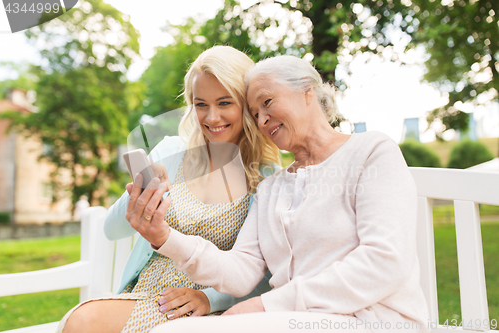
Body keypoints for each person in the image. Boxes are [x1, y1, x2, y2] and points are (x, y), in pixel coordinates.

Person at [133, 55, 430, 333]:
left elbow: (385, 260)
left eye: (267, 102)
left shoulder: (371, 152)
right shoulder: (270, 187)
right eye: (255, 113)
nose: (262, 120)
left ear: (307, 92)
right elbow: (241, 271)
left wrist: (266, 306)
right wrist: (164, 237)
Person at [57, 45, 281, 333]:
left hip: (209, 309)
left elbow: (265, 273)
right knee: (83, 321)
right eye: (201, 104)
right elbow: (112, 231)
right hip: (148, 294)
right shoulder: (171, 152)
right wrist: (140, 193)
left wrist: (209, 299)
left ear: (247, 104)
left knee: (84, 322)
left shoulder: (266, 178)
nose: (212, 118)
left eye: (225, 103)